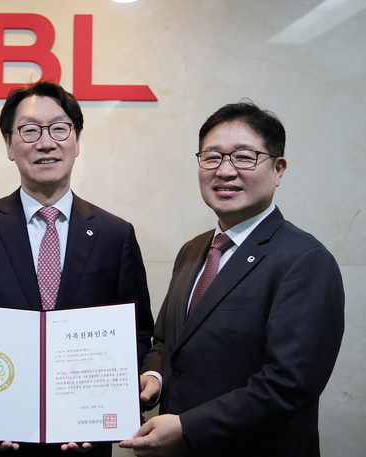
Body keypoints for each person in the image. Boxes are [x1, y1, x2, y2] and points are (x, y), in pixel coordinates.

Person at [0, 80, 154, 457]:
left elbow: (138, 332)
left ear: (77, 141)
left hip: (81, 441)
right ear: (8, 145)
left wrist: (105, 401)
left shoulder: (116, 234)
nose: (46, 143)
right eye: (30, 130)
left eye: (59, 129)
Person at [119, 101, 345, 457]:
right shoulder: (193, 250)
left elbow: (289, 385)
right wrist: (154, 378)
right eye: (212, 157)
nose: (225, 171)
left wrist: (188, 428)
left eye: (244, 157)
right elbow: (166, 342)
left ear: (278, 169)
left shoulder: (305, 260)